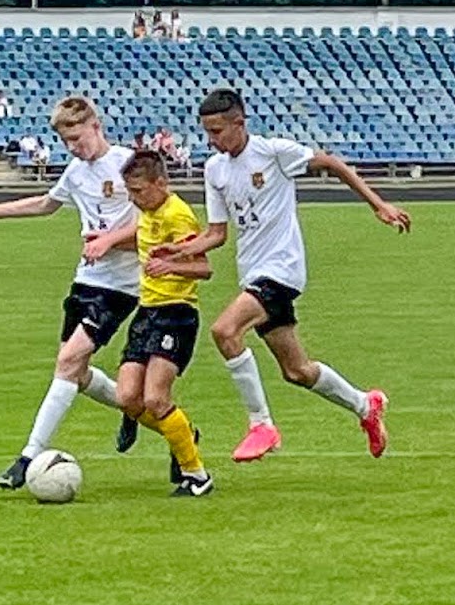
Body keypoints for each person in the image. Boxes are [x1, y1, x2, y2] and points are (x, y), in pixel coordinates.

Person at [154, 89, 412, 462]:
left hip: (282, 269)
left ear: (239, 123)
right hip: (253, 273)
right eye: (207, 132)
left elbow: (333, 163)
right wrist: (179, 250)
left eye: (217, 131)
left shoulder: (274, 152)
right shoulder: (215, 170)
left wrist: (379, 205)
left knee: (225, 331)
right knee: (297, 371)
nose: (212, 140)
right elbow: (216, 234)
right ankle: (365, 406)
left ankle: (261, 425)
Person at [0, 95, 142, 490]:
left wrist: (109, 240)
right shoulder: (76, 172)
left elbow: (155, 224)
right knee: (74, 374)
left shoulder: (129, 165)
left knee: (68, 360)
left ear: (96, 125)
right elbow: (45, 204)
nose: (75, 148)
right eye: (66, 142)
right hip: (86, 282)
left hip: (123, 287)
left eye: (78, 137)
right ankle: (139, 410)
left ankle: (27, 457)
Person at [113, 150, 214, 496]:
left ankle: (197, 476)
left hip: (177, 313)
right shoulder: (148, 212)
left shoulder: (178, 215)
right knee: (126, 397)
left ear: (160, 183)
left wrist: (171, 267)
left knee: (156, 399)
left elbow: (204, 268)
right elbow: (144, 244)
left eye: (139, 191)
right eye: (130, 192)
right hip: (147, 311)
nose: (134, 199)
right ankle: (184, 433)